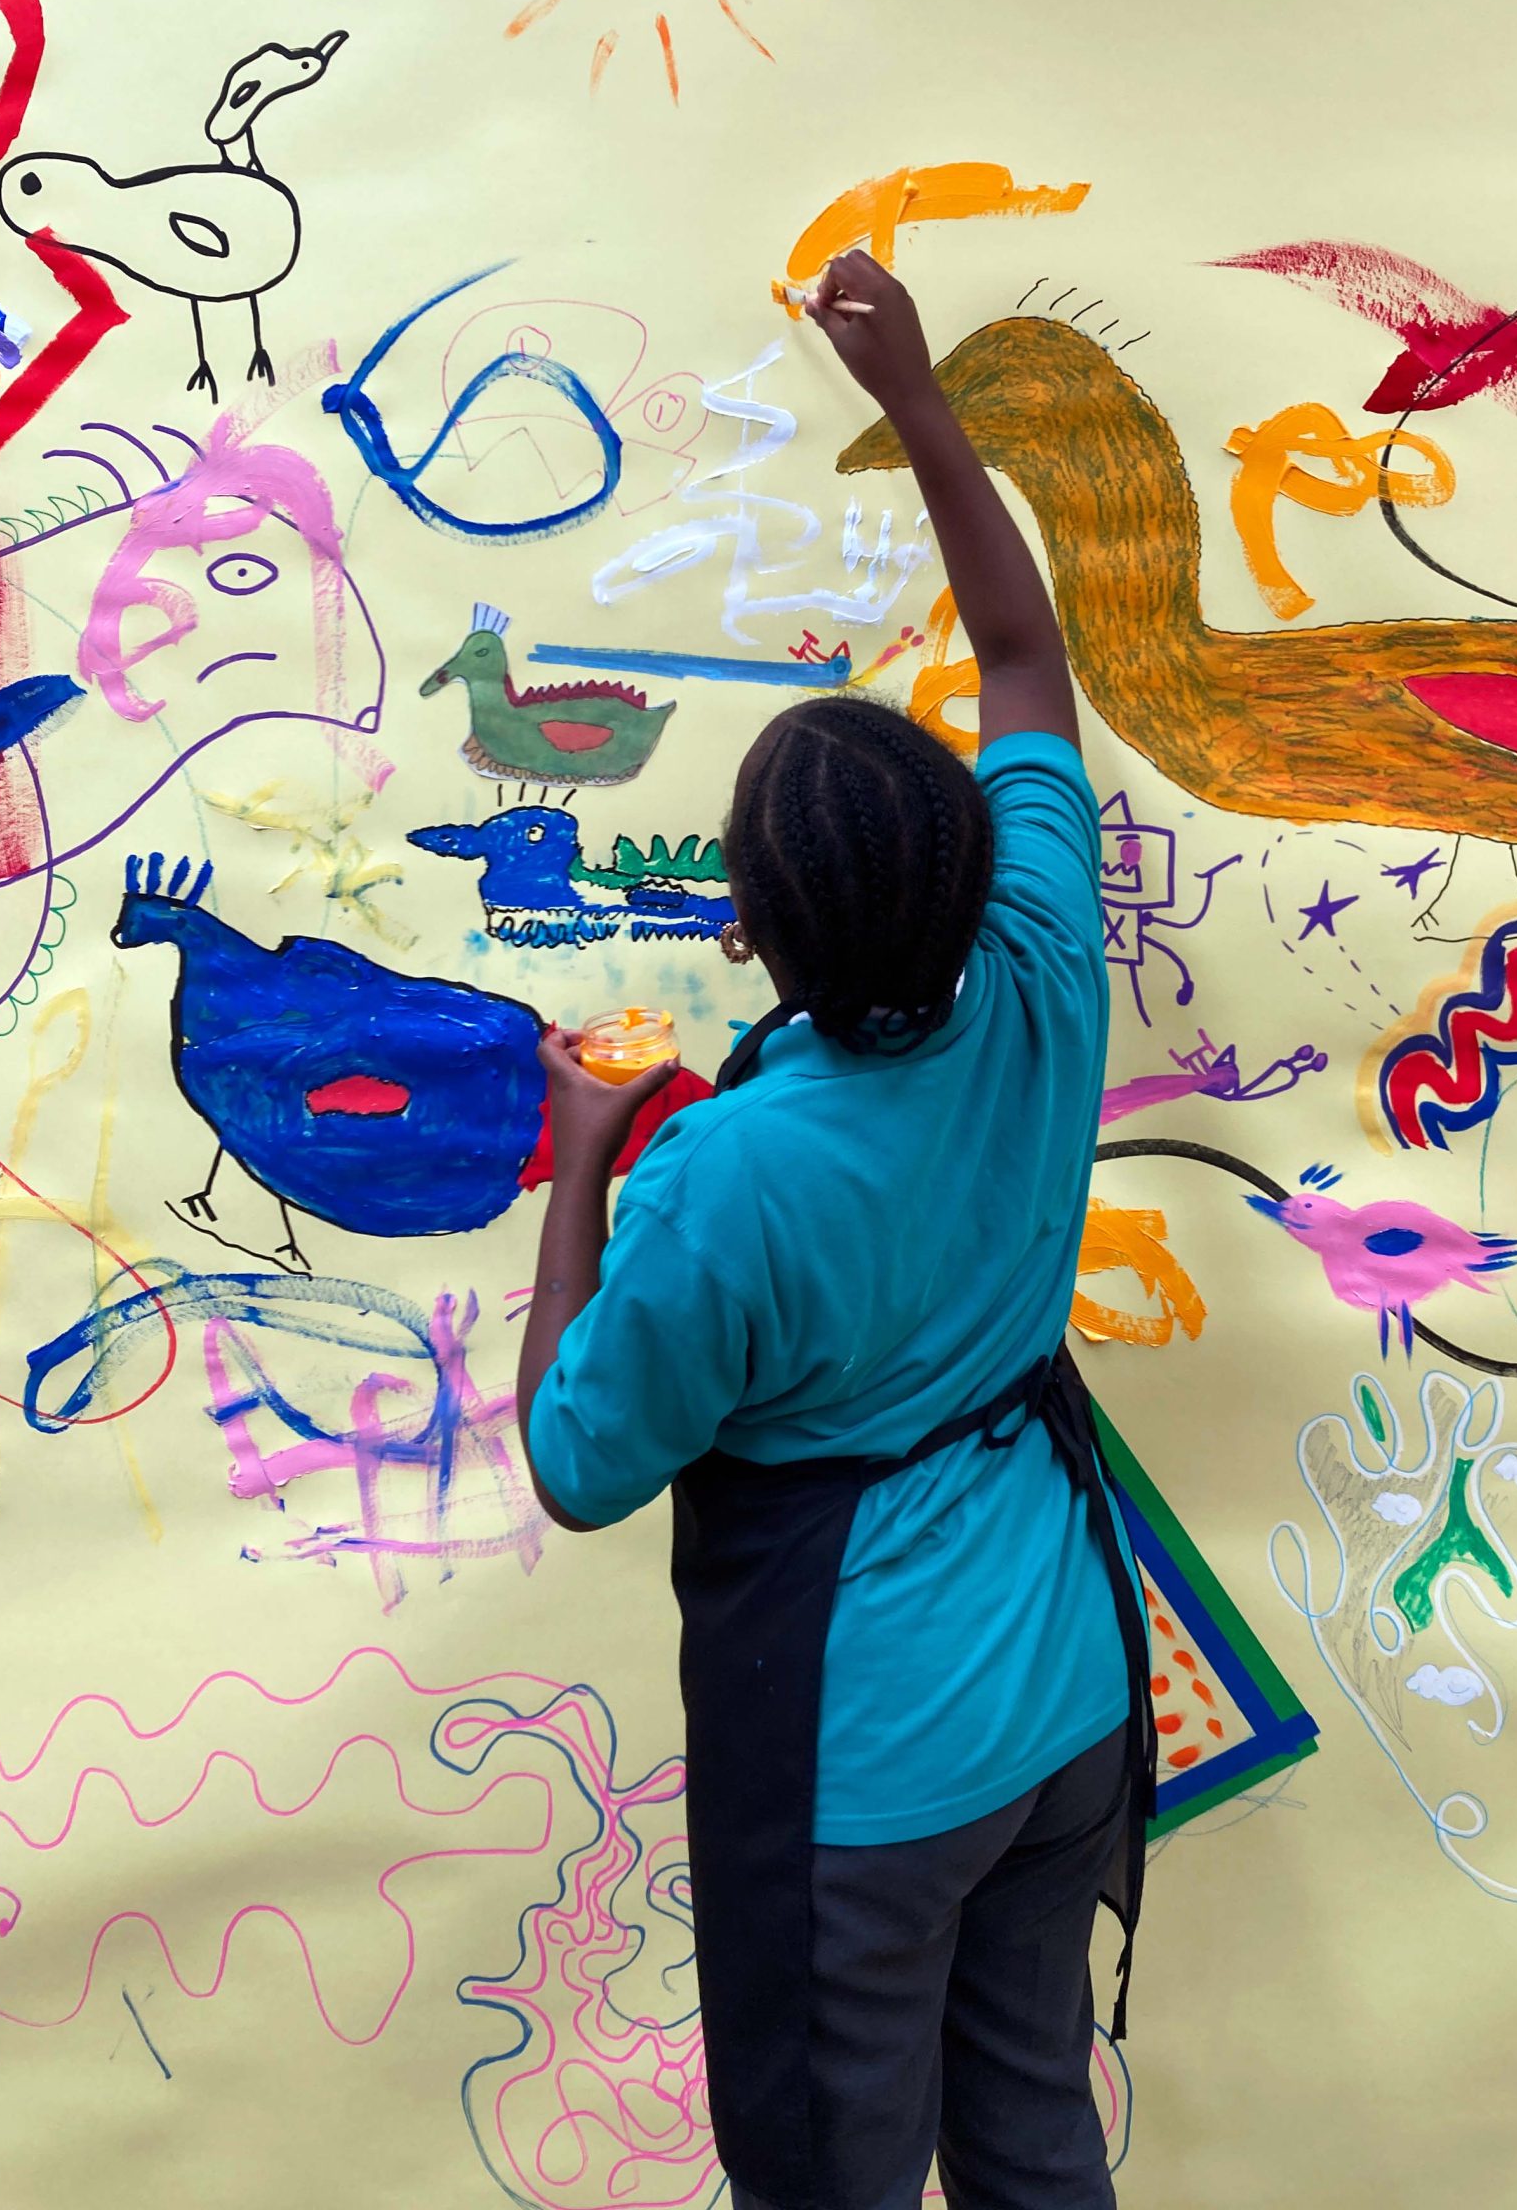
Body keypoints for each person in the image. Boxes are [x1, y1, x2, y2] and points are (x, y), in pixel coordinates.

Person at [515, 248, 1152, 2210]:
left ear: (747, 932)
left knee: (834, 2170)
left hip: (873, 1760)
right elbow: (1029, 663)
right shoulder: (1045, 962)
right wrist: (927, 402)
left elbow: (577, 1459)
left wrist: (579, 1176)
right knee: (1036, 2125)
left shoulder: (728, 1176)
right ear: (976, 869)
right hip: (1061, 1693)